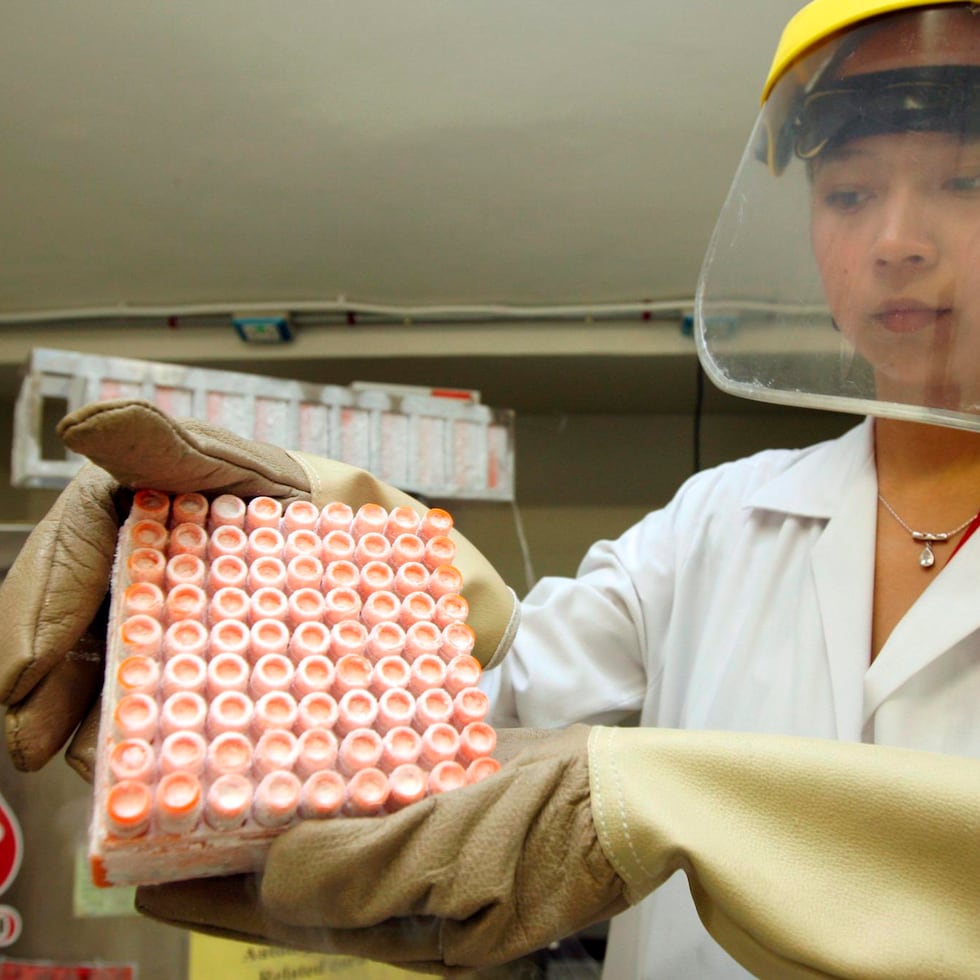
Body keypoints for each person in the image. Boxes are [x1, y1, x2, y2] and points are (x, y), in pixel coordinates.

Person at [0, 1, 978, 978]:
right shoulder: (716, 521)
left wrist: (670, 803)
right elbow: (489, 702)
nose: (894, 239)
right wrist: (238, 572)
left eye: (962, 180)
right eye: (846, 194)